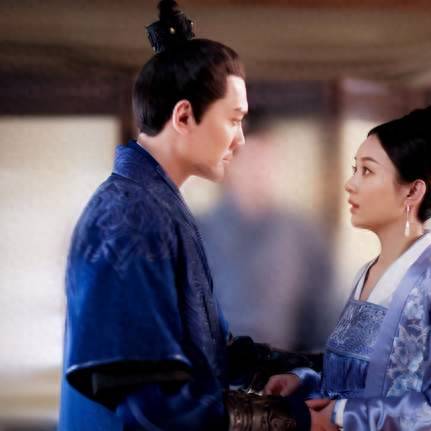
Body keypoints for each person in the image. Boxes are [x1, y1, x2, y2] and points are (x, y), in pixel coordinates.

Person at [59, 1, 310, 430]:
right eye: (234, 120)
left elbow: (208, 350)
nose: (240, 140)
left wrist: (307, 370)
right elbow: (149, 401)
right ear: (184, 115)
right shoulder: (129, 216)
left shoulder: (156, 205)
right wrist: (289, 420)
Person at [266, 105, 431, 430]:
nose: (350, 183)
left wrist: (344, 415)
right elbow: (363, 376)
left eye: (367, 171)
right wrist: (305, 381)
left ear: (413, 191)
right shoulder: (367, 274)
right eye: (355, 168)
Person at [197, 109, 338, 353]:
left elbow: (322, 317)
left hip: (285, 366)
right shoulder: (198, 233)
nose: (259, 171)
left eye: (266, 160)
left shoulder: (302, 234)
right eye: (250, 160)